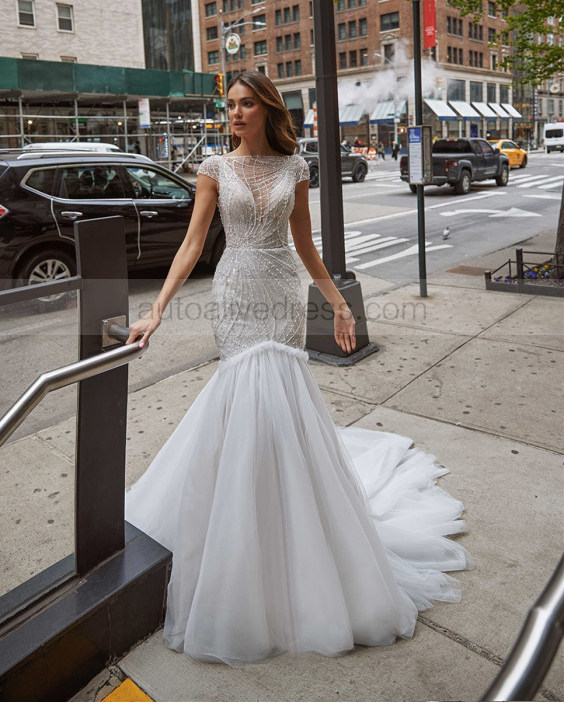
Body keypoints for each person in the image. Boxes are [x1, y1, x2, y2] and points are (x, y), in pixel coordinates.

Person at [125, 70, 472, 667]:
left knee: (281, 399)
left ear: (267, 108)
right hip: (236, 293)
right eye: (230, 105)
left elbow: (306, 245)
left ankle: (293, 528)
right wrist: (156, 310)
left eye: (246, 104)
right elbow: (192, 244)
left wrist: (337, 303)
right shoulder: (213, 167)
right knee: (245, 397)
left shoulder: (295, 168)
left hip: (282, 291)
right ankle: (242, 531)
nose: (235, 114)